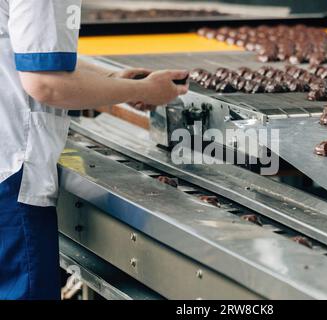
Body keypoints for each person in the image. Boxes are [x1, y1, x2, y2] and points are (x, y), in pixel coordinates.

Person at [0, 0, 189, 300]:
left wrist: (110, 79)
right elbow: (47, 84)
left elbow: (30, 49)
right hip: (11, 175)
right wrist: (142, 91)